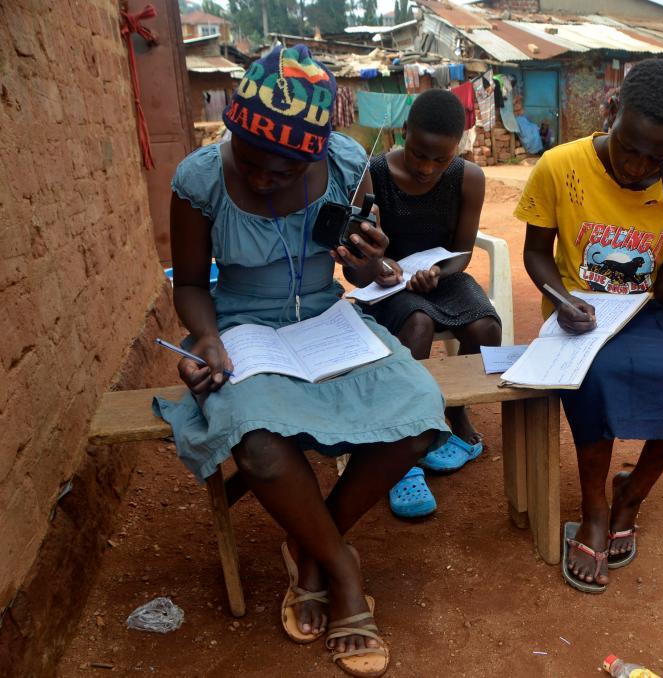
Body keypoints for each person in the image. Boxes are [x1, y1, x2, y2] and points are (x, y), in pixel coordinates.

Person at [155, 45, 449, 677]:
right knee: (258, 445)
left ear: (316, 154)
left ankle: (309, 549)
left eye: (285, 170)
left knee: (420, 415)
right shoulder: (199, 180)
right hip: (241, 326)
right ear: (232, 133)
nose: (264, 179)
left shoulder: (347, 165)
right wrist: (206, 339)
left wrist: (371, 260)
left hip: (328, 319)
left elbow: (362, 272)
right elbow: (190, 285)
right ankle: (341, 569)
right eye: (251, 162)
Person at [514, 59, 663, 593]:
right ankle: (594, 508)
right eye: (629, 147)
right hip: (580, 309)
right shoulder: (559, 165)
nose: (638, 167)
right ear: (612, 111)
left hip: (651, 308)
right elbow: (535, 253)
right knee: (596, 377)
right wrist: (560, 299)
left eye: (656, 157)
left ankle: (632, 494)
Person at [364, 89, 501, 518]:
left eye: (441, 159)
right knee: (418, 323)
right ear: (404, 132)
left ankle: (456, 416)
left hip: (442, 276)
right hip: (389, 283)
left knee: (486, 326)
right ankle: (404, 441)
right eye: (419, 154)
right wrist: (384, 266)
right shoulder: (374, 173)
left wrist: (438, 272)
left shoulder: (468, 177)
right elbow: (365, 251)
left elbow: (462, 251)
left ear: (456, 149)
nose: (427, 168)